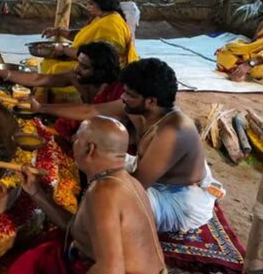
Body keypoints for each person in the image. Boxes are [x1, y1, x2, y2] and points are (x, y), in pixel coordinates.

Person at [0, 116, 184, 274]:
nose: (72, 140)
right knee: (48, 252)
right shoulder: (124, 180)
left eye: (77, 138)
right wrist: (36, 192)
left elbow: (111, 272)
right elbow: (76, 228)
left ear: (90, 149)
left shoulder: (103, 192)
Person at [30, 58, 223, 233]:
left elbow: (135, 186)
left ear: (151, 101)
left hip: (180, 197)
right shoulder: (143, 107)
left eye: (129, 94)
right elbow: (92, 110)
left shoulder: (172, 132)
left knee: (109, 207)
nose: (122, 97)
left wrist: (96, 184)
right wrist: (42, 108)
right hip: (150, 171)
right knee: (96, 148)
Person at [0, 41, 123, 144]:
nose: (77, 69)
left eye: (84, 67)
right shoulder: (77, 77)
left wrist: (41, 108)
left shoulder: (120, 91)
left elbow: (90, 111)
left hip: (114, 141)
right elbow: (40, 79)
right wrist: (3, 73)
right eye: (78, 63)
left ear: (100, 71)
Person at [40, 0, 138, 102]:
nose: (88, 6)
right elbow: (83, 35)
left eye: (91, 3)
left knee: (57, 69)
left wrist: (63, 50)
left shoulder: (112, 25)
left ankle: (59, 104)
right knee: (47, 62)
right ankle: (44, 99)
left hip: (100, 71)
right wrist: (59, 32)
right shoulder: (101, 17)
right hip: (87, 61)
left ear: (102, 3)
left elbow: (97, 58)